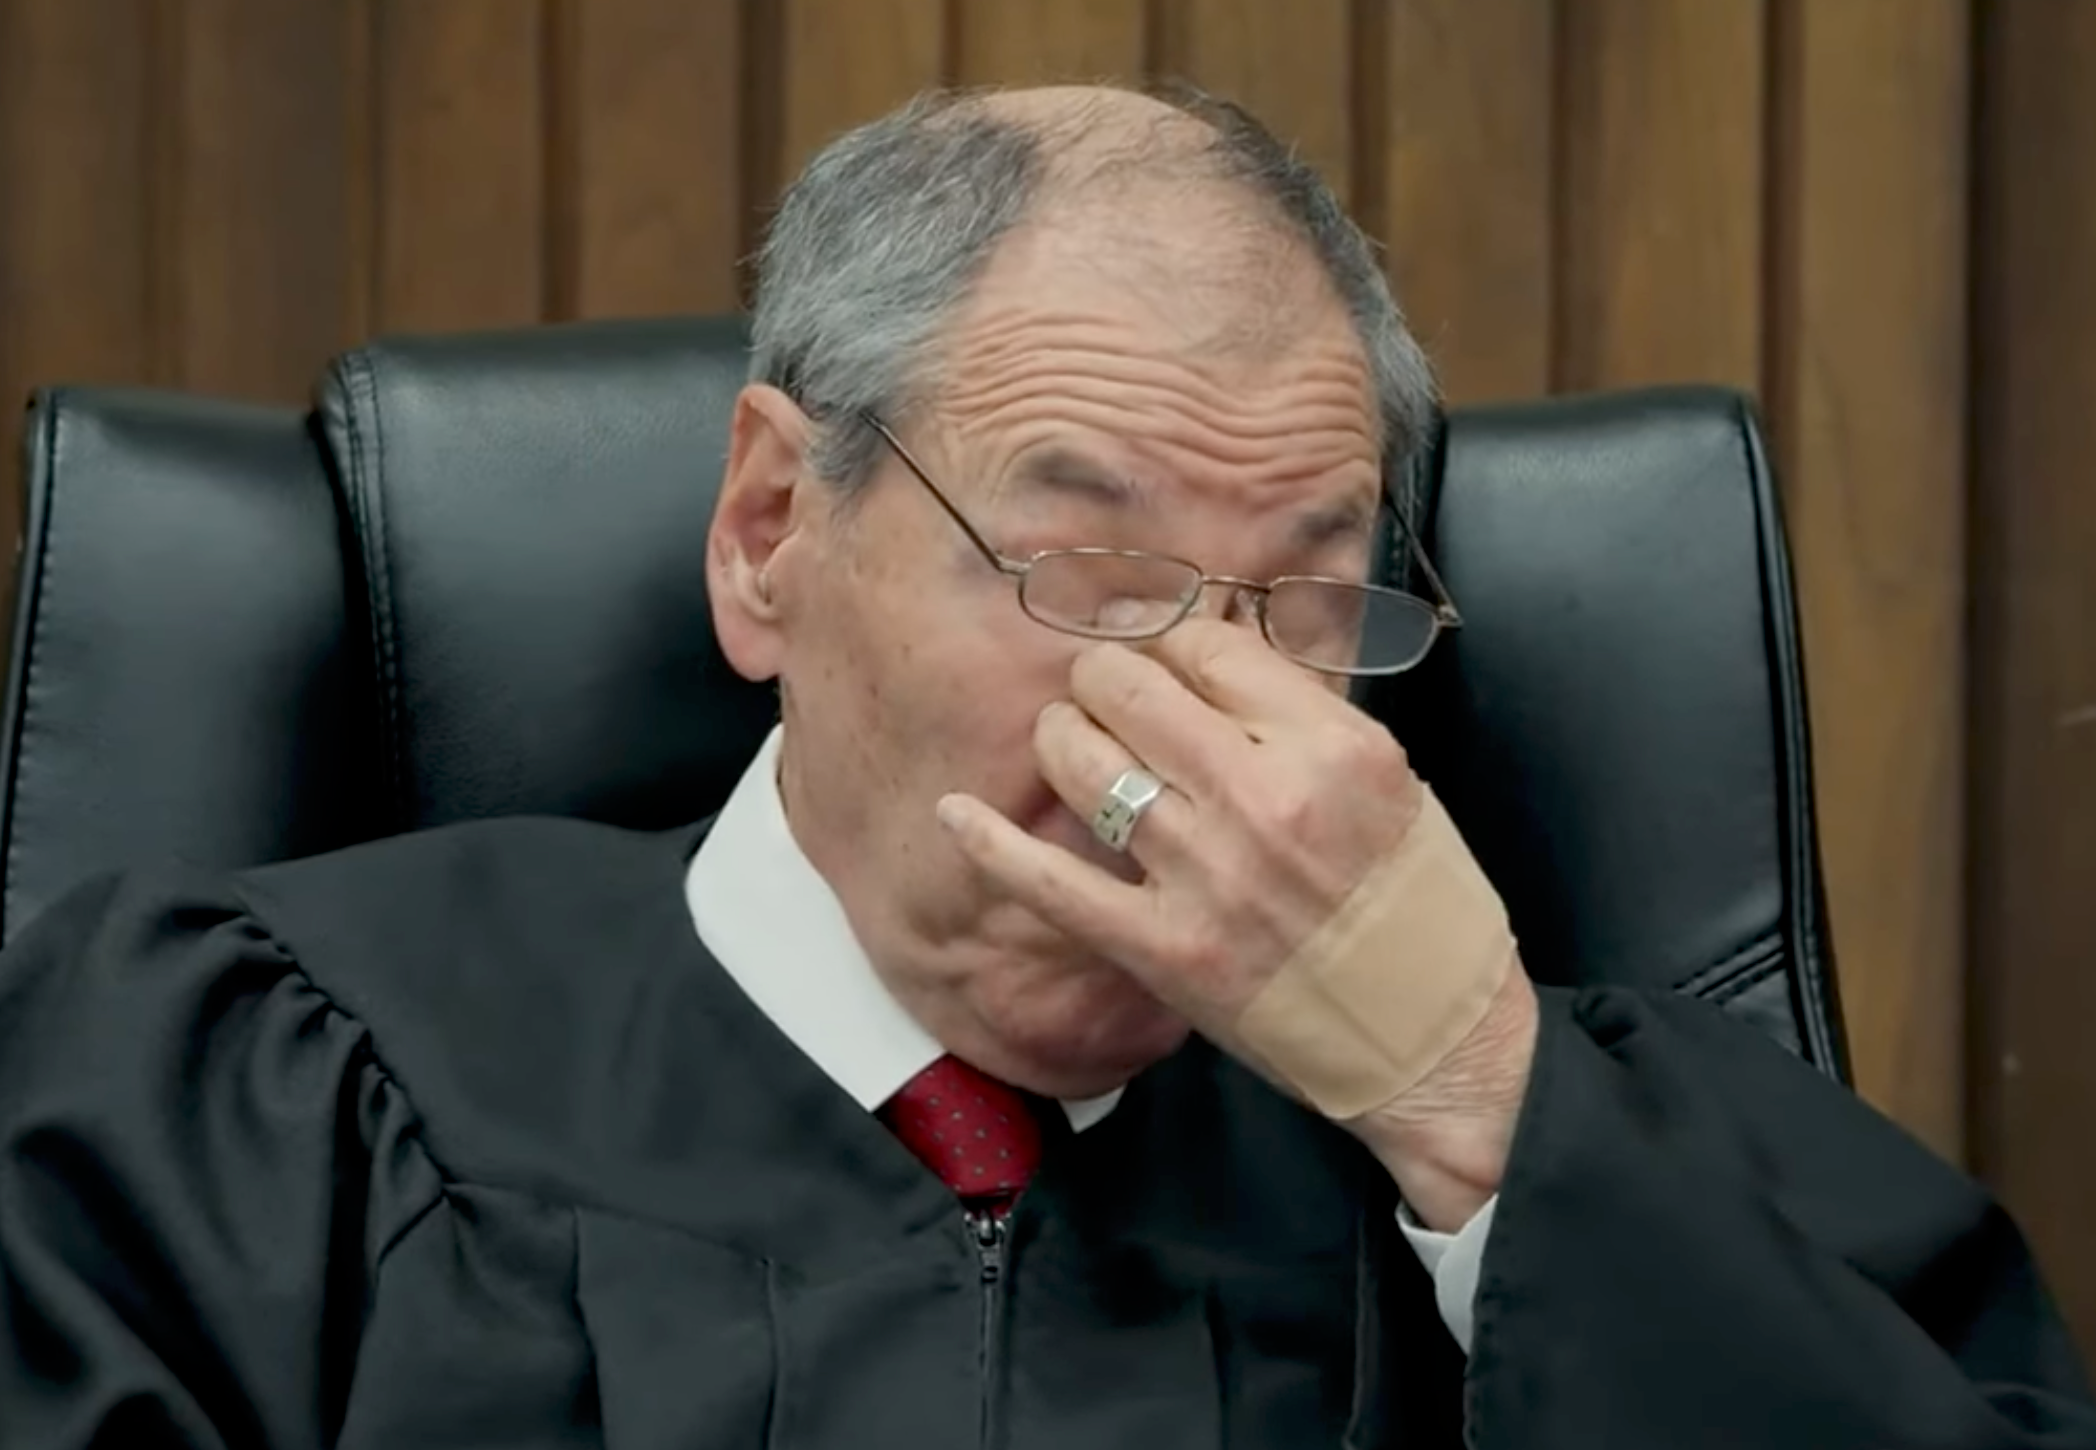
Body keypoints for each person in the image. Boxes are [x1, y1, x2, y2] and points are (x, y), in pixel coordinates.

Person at [0, 81, 2088, 1450]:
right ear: (770, 531)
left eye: (1302, 599)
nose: (1196, 717)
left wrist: (1469, 1103)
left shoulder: (1586, 1133)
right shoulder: (253, 1084)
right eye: (1090, 573)